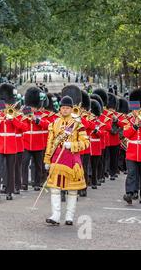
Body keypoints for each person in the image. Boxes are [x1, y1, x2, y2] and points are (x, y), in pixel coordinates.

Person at [44, 96, 89, 226]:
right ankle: (56, 215)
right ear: (60, 109)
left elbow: (86, 143)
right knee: (55, 189)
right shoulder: (54, 124)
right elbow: (50, 143)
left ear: (71, 109)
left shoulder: (77, 124)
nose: (65, 110)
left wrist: (73, 145)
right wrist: (47, 159)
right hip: (57, 160)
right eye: (63, 108)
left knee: (72, 190)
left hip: (72, 161)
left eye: (67, 108)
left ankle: (69, 216)